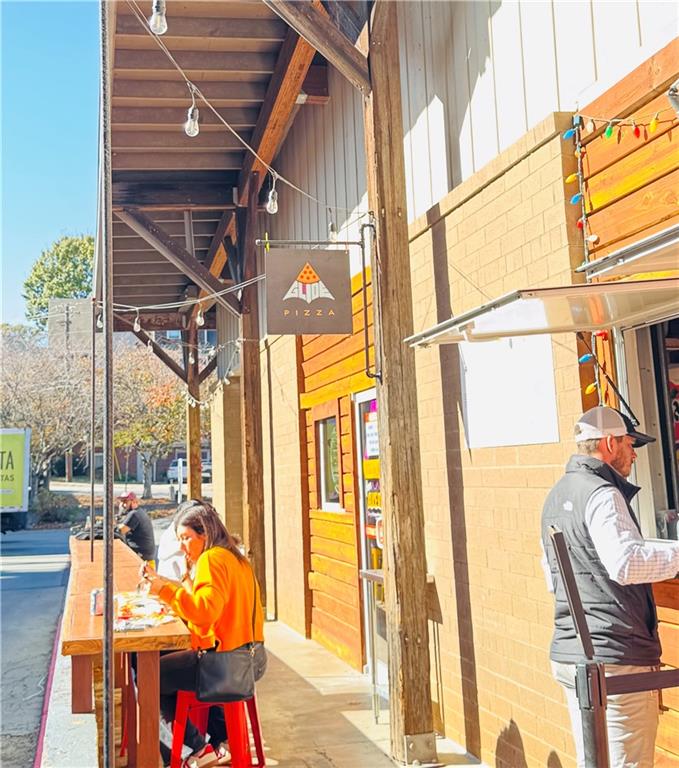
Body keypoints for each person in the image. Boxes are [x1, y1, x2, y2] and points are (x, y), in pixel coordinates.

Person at [541, 406, 679, 768]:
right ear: (608, 442)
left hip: (573, 656)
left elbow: (549, 574)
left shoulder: (556, 496)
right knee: (627, 762)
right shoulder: (602, 493)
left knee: (596, 759)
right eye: (629, 444)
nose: (634, 453)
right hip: (615, 658)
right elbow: (626, 562)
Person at [141, 499, 264, 768]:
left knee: (150, 675)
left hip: (227, 665)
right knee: (165, 668)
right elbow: (214, 607)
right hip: (251, 658)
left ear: (204, 534)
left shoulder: (212, 558)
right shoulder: (234, 557)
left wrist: (164, 590)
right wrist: (181, 581)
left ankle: (197, 747)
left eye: (186, 538)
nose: (182, 546)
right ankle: (210, 741)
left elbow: (204, 613)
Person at [116, 491, 156, 565]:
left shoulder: (134, 514)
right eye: (122, 502)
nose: (123, 505)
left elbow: (120, 531)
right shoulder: (138, 511)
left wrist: (120, 513)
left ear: (134, 502)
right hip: (146, 555)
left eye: (125, 501)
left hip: (142, 556)